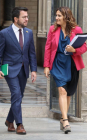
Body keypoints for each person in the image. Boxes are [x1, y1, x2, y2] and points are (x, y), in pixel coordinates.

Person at [44, 7, 87, 134]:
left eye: (59, 16)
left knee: (68, 93)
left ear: (66, 17)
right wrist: (46, 66)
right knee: (62, 90)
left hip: (72, 63)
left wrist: (74, 50)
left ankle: (63, 118)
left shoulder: (76, 29)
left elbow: (84, 47)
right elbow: (47, 47)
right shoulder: (53, 30)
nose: (56, 18)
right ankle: (66, 120)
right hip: (57, 62)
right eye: (56, 15)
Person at [0, 7, 37, 135]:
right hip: (9, 69)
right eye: (24, 17)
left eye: (27, 16)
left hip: (23, 70)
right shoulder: (4, 33)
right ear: (16, 19)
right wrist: (0, 69)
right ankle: (19, 124)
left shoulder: (29, 33)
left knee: (18, 96)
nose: (27, 19)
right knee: (16, 93)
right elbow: (0, 53)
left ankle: (9, 120)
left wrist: (34, 70)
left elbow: (31, 53)